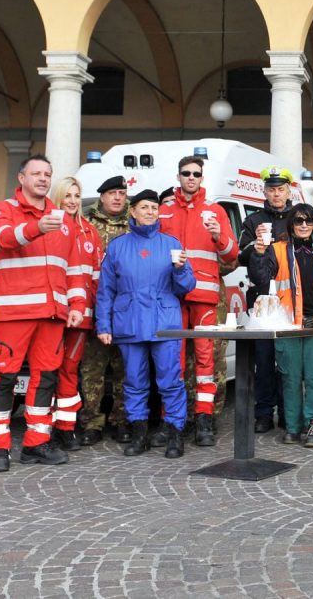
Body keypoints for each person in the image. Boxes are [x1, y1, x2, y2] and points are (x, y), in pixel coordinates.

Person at [0, 154, 87, 472]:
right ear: (21, 178)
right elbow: (2, 238)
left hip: (52, 315)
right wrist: (36, 227)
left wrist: (77, 306)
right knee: (4, 378)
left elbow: (73, 270)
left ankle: (36, 444)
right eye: (36, 173)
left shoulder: (63, 221)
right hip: (13, 313)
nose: (42, 178)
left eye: (47, 174)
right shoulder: (4, 210)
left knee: (45, 380)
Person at [95, 190, 197, 458]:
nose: (150, 212)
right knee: (134, 382)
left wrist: (181, 269)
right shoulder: (117, 247)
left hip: (164, 323)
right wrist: (103, 325)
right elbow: (106, 290)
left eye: (154, 207)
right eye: (144, 207)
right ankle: (139, 433)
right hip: (130, 322)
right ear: (133, 212)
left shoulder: (171, 244)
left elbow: (186, 287)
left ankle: (175, 433)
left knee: (170, 380)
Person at [249, 203, 313, 446]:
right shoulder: (277, 250)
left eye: (309, 221)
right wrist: (259, 255)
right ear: (291, 225)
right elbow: (261, 281)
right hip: (288, 327)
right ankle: (292, 427)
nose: (304, 225)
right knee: (290, 378)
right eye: (299, 221)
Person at [159, 154, 238, 447]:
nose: (190, 178)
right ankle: (173, 422)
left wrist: (219, 237)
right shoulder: (164, 212)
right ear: (178, 176)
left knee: (205, 362)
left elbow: (232, 254)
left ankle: (204, 421)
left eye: (195, 173)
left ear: (202, 178)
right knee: (172, 362)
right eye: (185, 173)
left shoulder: (215, 211)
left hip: (204, 298)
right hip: (172, 298)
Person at [238, 165, 296, 433]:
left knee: (287, 360)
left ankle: (288, 411)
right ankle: (263, 413)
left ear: (288, 190)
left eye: (280, 189)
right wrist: (255, 246)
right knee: (263, 360)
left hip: (290, 299)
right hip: (261, 300)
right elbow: (240, 255)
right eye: (272, 189)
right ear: (265, 191)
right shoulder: (253, 220)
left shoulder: (298, 218)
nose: (276, 194)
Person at [48, 176, 103, 453]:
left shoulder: (90, 232)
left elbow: (96, 279)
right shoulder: (48, 228)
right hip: (53, 313)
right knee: (47, 371)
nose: (72, 201)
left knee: (69, 370)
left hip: (81, 317)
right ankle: (43, 429)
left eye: (76, 195)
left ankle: (66, 429)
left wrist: (97, 315)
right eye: (67, 195)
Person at [78, 175, 132, 446]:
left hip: (125, 309)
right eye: (112, 193)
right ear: (102, 196)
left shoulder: (134, 224)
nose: (117, 198)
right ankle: (92, 422)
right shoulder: (86, 223)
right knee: (92, 370)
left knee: (125, 370)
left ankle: (121, 421)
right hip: (94, 306)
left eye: (121, 193)